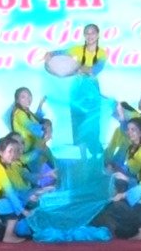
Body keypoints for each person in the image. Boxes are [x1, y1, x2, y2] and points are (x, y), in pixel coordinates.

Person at [45, 23, 107, 159]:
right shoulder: (77, 49)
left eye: (92, 33)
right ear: (84, 35)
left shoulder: (102, 53)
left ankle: (95, 155)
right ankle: (83, 156)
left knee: (92, 121)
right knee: (78, 121)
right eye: (87, 33)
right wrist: (50, 55)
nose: (90, 36)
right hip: (77, 88)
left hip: (91, 90)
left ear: (98, 35)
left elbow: (94, 70)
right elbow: (59, 53)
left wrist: (78, 67)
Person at [9, 87, 56, 183]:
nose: (28, 99)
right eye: (23, 97)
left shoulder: (26, 112)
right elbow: (33, 127)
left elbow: (36, 118)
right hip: (28, 151)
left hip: (37, 146)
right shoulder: (19, 114)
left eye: (29, 96)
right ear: (17, 100)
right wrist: (46, 130)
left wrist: (40, 104)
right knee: (44, 177)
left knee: (51, 167)